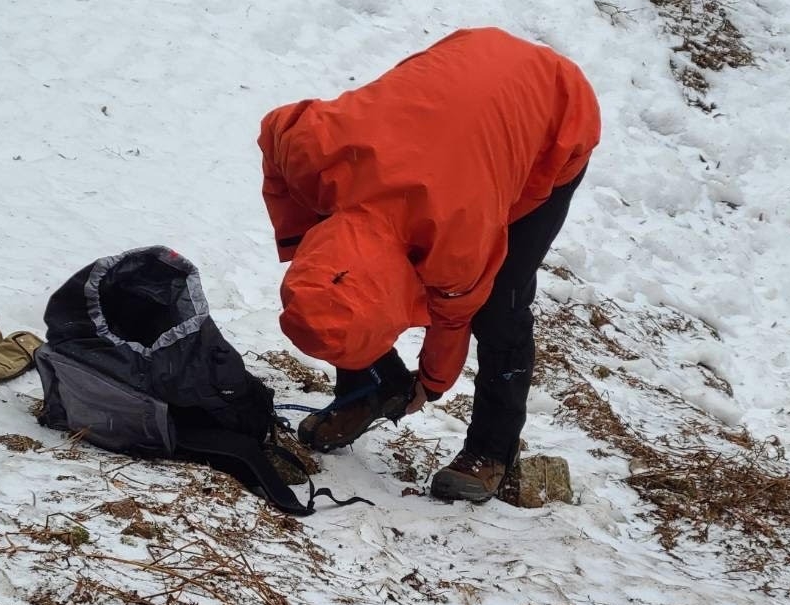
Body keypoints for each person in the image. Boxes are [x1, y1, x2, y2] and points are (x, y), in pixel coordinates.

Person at [257, 27, 600, 503]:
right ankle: (373, 388)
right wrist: (305, 241)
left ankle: (492, 450)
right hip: (462, 72)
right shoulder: (310, 152)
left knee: (501, 303)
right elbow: (276, 128)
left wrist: (431, 385)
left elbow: (455, 315)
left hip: (555, 116)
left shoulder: (456, 245)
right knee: (340, 294)